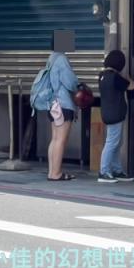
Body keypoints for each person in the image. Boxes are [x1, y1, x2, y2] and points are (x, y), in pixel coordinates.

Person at [97, 50, 134, 183]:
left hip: (107, 112)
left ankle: (117, 170)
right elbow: (131, 87)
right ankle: (104, 171)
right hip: (116, 113)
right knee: (112, 142)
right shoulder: (115, 77)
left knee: (116, 143)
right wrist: (128, 76)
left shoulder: (102, 75)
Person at [43, 48, 80, 181]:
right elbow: (70, 82)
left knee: (55, 139)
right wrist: (79, 86)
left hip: (52, 103)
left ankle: (52, 172)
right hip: (63, 104)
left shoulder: (51, 58)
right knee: (61, 139)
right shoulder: (61, 59)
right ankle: (56, 173)